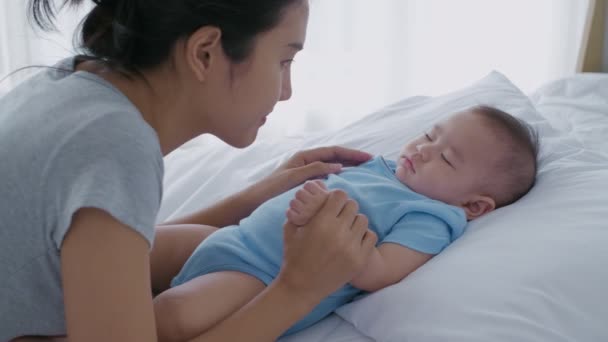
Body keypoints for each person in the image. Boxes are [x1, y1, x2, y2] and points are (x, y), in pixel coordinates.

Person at [0, 1, 380, 341]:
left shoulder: (69, 84)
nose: (286, 91)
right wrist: (298, 289)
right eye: (284, 61)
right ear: (204, 53)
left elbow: (103, 250)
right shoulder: (115, 146)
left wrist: (253, 200)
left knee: (195, 242)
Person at [152, 105, 540, 341]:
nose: (422, 150)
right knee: (136, 246)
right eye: (428, 135)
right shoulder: (384, 167)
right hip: (231, 236)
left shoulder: (432, 216)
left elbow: (381, 272)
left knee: (171, 317)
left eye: (447, 158)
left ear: (474, 206)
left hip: (260, 276)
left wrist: (331, 224)